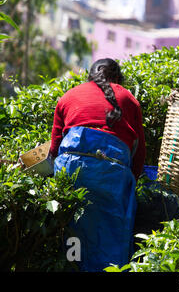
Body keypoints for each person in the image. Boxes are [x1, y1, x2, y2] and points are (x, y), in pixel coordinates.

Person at [50, 58, 146, 272]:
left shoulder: (68, 97)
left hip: (70, 168)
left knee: (73, 229)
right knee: (113, 231)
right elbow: (139, 153)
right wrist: (132, 182)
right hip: (111, 173)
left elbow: (55, 149)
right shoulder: (127, 97)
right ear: (118, 79)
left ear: (89, 77)